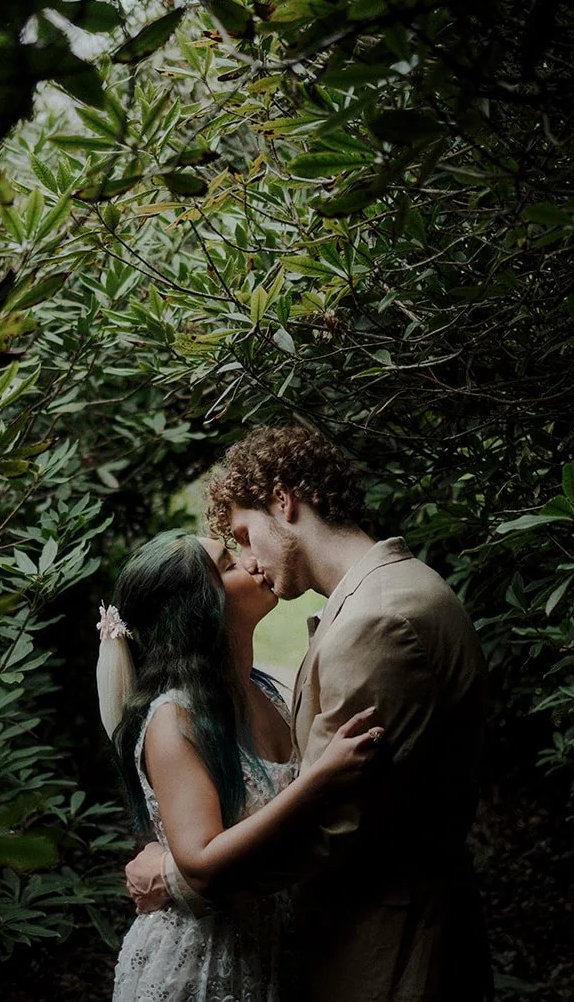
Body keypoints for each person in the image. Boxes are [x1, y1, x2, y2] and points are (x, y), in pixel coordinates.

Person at [125, 427, 492, 1002]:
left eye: (245, 534)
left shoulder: (376, 621)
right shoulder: (399, 590)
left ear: (283, 500)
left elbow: (334, 827)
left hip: (386, 943)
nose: (249, 560)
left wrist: (176, 875)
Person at [100, 529, 387, 1002]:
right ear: (197, 611)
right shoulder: (175, 720)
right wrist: (319, 783)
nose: (253, 563)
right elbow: (205, 864)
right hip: (207, 966)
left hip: (281, 949)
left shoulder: (268, 692)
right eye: (230, 564)